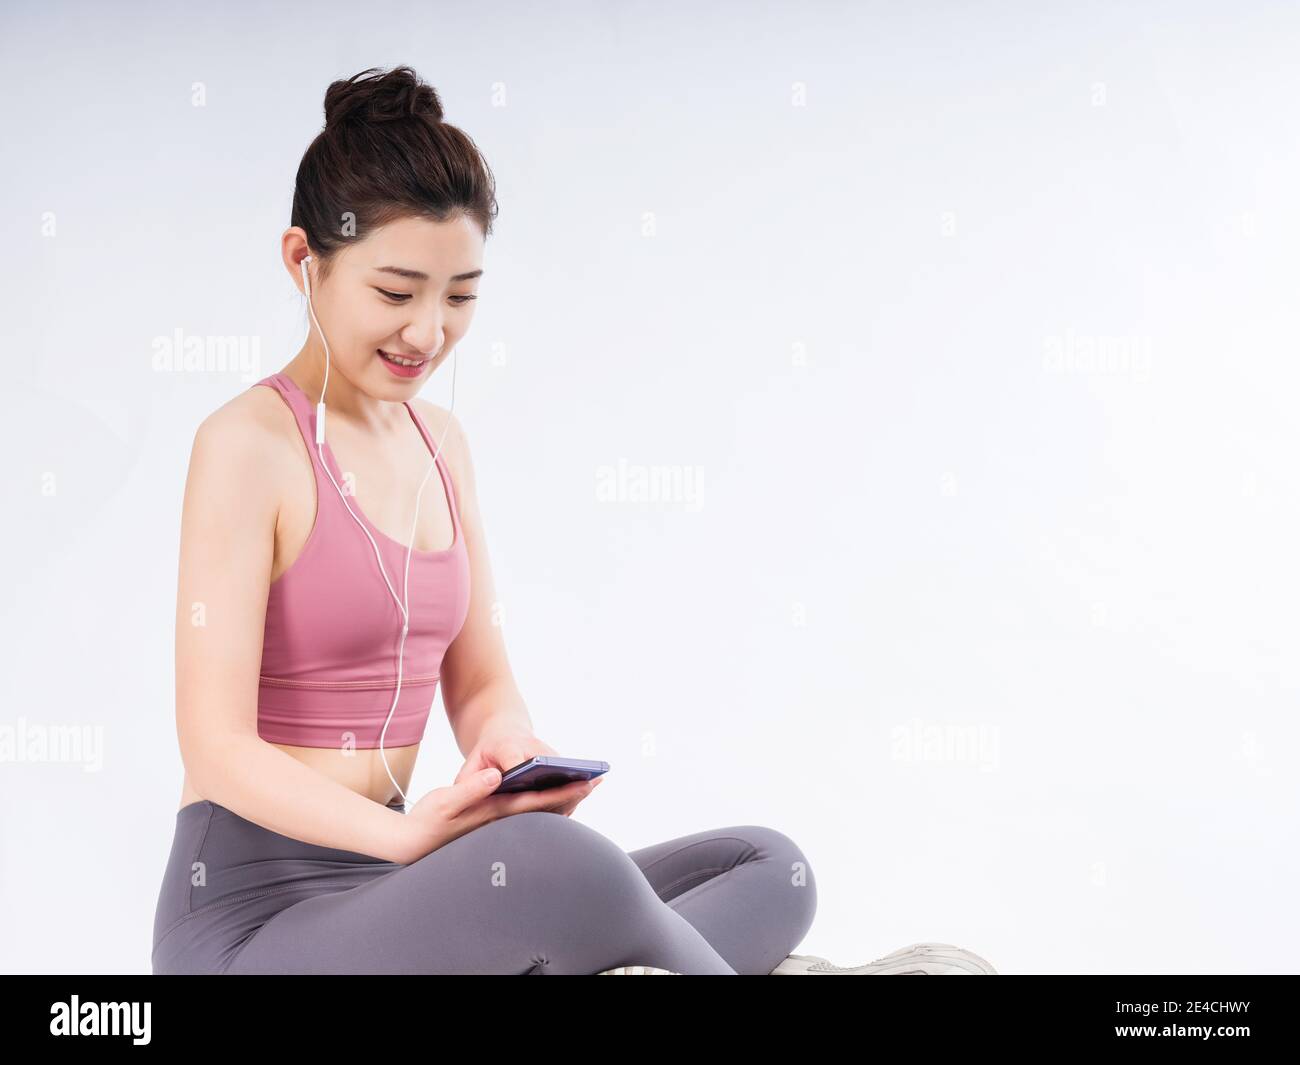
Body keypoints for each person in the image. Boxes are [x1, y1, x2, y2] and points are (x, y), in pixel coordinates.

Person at [151, 64, 993, 976]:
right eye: (395, 293)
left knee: (769, 866)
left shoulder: (442, 445)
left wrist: (508, 749)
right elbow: (217, 744)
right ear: (303, 262)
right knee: (557, 871)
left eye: (460, 295)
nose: (428, 333)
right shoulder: (248, 445)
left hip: (397, 894)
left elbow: (481, 687)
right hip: (253, 925)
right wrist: (405, 840)